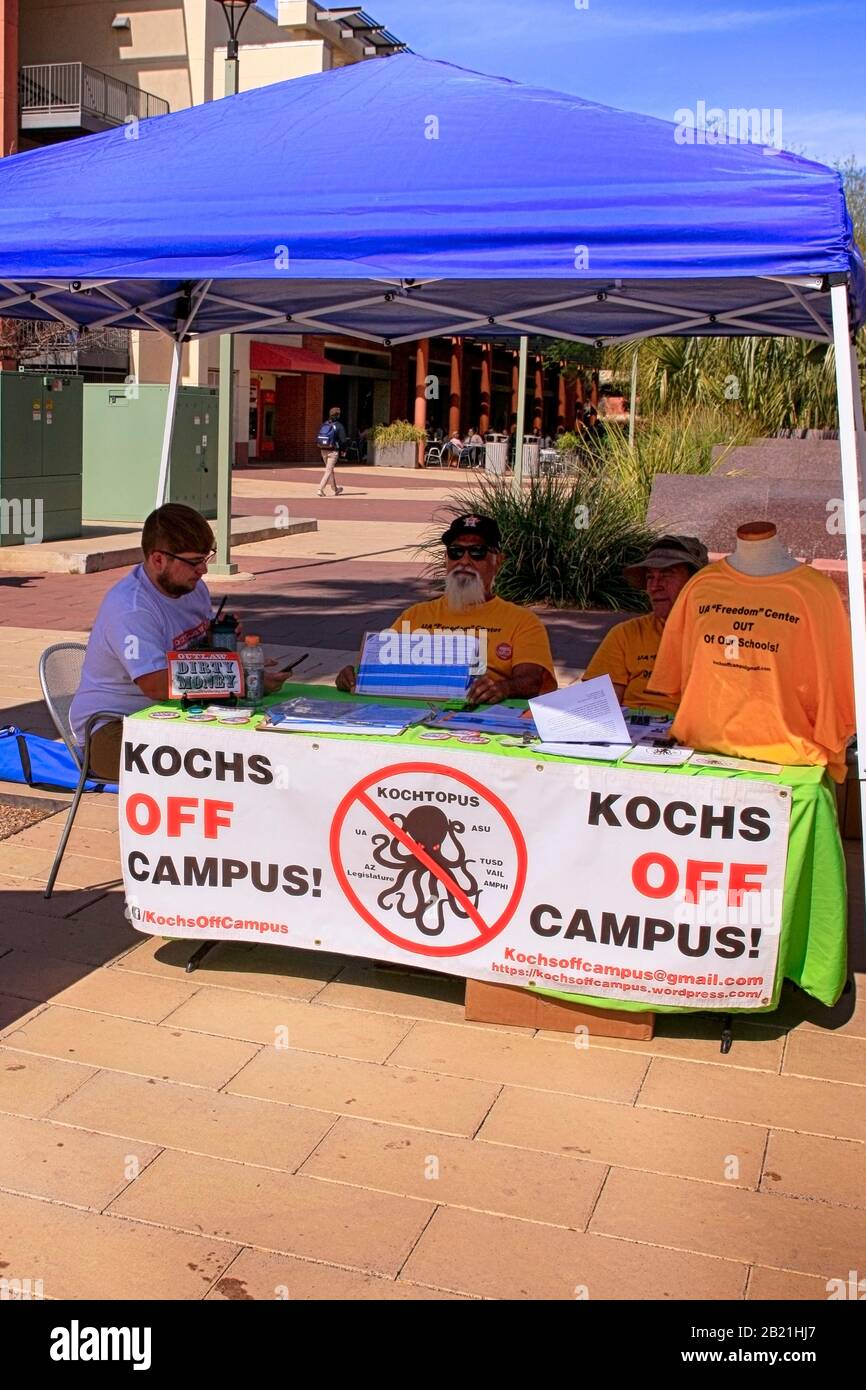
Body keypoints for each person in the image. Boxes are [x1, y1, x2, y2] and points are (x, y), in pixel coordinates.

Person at [68, 504, 287, 779]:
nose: (204, 569)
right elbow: (156, 684)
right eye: (195, 561)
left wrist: (220, 638)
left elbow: (190, 650)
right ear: (158, 559)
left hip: (168, 714)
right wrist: (241, 679)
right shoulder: (131, 607)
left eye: (206, 558)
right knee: (210, 767)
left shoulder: (191, 588)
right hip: (112, 727)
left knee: (247, 749)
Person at [336, 514, 558, 705]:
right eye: (456, 552)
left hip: (483, 718)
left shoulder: (522, 621)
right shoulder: (415, 616)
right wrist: (355, 677)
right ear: (446, 559)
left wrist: (504, 688)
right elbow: (380, 670)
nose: (465, 560)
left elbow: (532, 681)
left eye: (477, 552)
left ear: (497, 561)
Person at [580, 535, 708, 711]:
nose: (655, 586)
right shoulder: (627, 634)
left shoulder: (720, 636)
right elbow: (597, 706)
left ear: (696, 582)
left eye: (666, 575)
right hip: (635, 732)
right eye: (649, 577)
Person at [317, 406, 346, 496]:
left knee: (330, 470)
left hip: (323, 449)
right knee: (328, 470)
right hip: (333, 451)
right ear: (338, 415)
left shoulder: (324, 424)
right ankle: (320, 489)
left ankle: (335, 489)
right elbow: (343, 440)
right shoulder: (339, 426)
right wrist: (344, 450)